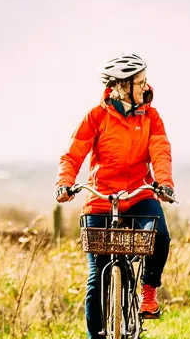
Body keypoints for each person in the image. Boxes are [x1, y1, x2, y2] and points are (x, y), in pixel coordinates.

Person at [53, 53, 175, 338]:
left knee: (160, 236)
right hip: (100, 199)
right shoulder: (95, 117)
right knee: (97, 277)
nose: (146, 87)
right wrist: (64, 183)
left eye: (145, 81)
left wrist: (164, 183)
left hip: (139, 193)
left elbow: (161, 152)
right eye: (139, 83)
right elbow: (72, 155)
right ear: (121, 86)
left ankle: (147, 291)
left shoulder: (152, 117)